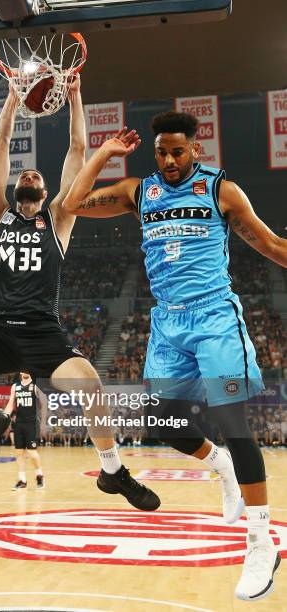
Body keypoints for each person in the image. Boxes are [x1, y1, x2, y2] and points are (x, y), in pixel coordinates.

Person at [62, 111, 286, 601]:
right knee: (164, 425)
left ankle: (259, 541)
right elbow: (71, 202)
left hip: (214, 319)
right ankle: (220, 465)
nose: (167, 160)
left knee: (231, 419)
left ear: (195, 150)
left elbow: (270, 244)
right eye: (160, 151)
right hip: (167, 323)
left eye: (177, 151)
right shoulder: (139, 191)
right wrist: (104, 153)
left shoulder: (219, 190)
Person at [0, 77, 160, 512]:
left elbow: (76, 151)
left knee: (91, 384)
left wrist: (75, 95)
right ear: (15, 189)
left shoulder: (58, 220)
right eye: (24, 173)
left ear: (48, 192)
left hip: (43, 335)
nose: (29, 172)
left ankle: (113, 471)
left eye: (37, 175)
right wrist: (11, 101)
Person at [4, 372, 46, 490]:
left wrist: (43, 422)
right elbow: (11, 404)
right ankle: (22, 480)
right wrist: (4, 417)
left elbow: (44, 402)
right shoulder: (15, 386)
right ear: (20, 371)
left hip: (31, 423)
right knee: (19, 452)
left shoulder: (35, 385)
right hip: (19, 423)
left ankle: (39, 475)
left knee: (32, 453)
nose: (25, 371)